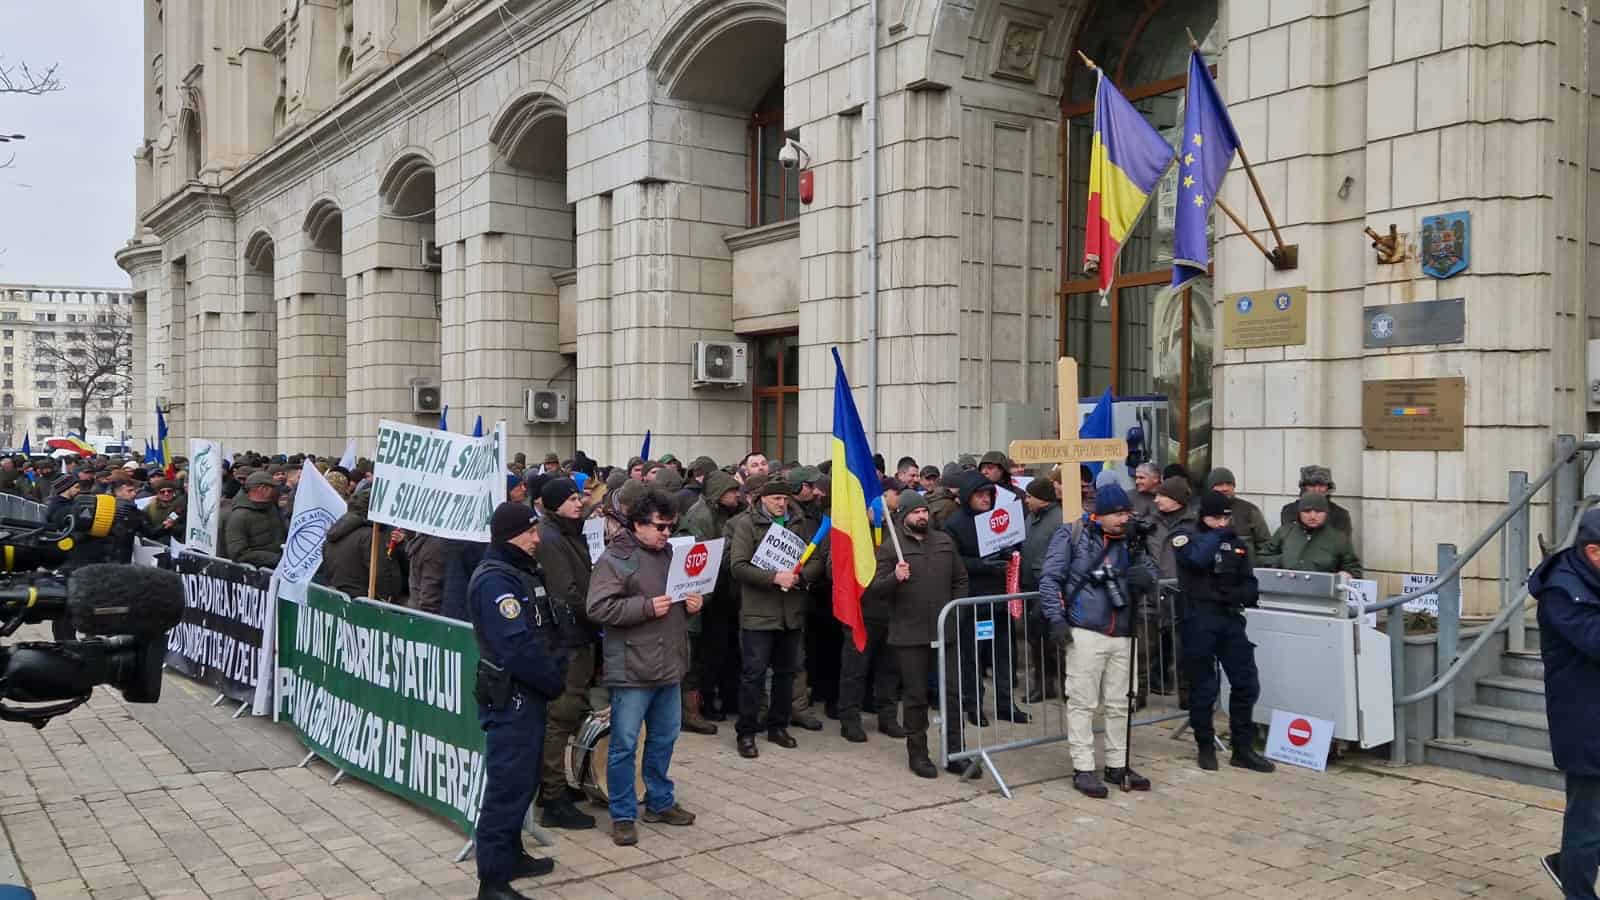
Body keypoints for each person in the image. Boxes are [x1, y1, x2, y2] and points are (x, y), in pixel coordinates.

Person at [584, 489, 699, 847]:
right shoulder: (615, 558)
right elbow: (598, 608)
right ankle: (622, 814)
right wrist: (645, 608)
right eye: (660, 526)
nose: (667, 532)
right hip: (632, 668)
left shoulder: (672, 554)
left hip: (669, 664)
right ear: (638, 525)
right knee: (623, 744)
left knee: (665, 737)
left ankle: (660, 801)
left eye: (671, 526)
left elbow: (681, 596)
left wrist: (694, 602)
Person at [467, 502, 567, 900]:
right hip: (513, 696)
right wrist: (553, 682)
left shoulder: (520, 571)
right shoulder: (495, 581)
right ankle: (491, 881)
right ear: (511, 534)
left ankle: (511, 856)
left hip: (529, 693)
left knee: (523, 783)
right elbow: (516, 647)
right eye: (530, 532)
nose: (536, 538)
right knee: (506, 789)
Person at [1039, 483, 1159, 798]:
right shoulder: (1073, 534)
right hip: (1085, 630)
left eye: (1126, 512)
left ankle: (1118, 764)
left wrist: (1145, 578)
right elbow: (1050, 577)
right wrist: (1056, 618)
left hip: (1123, 631)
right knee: (1082, 703)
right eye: (1117, 514)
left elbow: (1150, 571)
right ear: (1099, 514)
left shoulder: (1132, 541)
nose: (1124, 519)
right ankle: (1083, 767)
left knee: (1122, 703)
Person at [1170, 491, 1276, 774]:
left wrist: (1237, 594)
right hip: (1198, 619)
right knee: (1204, 687)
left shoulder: (1235, 543)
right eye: (1216, 517)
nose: (1222, 522)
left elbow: (1250, 584)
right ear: (1203, 516)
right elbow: (1195, 560)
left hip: (1229, 619)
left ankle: (1242, 748)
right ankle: (1205, 745)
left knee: (1246, 683)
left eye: (1225, 517)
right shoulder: (1186, 535)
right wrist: (1217, 535)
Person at [866, 491, 967, 778]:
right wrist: (894, 578)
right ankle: (918, 754)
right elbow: (875, 589)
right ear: (903, 516)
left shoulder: (945, 542)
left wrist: (955, 611)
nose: (922, 516)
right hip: (909, 634)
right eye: (915, 512)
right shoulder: (890, 548)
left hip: (944, 630)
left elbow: (960, 579)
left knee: (951, 692)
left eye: (924, 511)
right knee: (915, 696)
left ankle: (956, 751)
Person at [1528, 508, 1600, 898]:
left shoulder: (1590, 578)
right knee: (1586, 821)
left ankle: (1568, 862)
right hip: (1586, 723)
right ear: (1594, 551)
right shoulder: (1562, 591)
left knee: (1591, 827)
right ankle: (1578, 889)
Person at [727, 478, 824, 757]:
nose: (782, 503)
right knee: (753, 675)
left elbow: (816, 559)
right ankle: (746, 732)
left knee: (786, 673)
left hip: (791, 613)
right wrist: (774, 577)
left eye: (785, 498)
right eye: (775, 499)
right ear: (762, 500)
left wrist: (800, 576)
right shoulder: (747, 524)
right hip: (759, 613)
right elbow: (738, 566)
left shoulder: (799, 523)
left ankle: (778, 726)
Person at [533, 477, 602, 830]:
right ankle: (553, 798)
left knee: (571, 711)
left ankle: (557, 786)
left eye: (580, 497)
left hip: (580, 634)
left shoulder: (569, 532)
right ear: (554, 504)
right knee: (560, 718)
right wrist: (602, 611)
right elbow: (566, 594)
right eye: (572, 499)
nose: (580, 503)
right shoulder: (551, 538)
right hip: (567, 639)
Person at [942, 472, 1029, 733]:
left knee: (1003, 655)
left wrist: (1011, 554)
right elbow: (953, 562)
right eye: (980, 494)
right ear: (968, 496)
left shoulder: (998, 517)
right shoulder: (955, 524)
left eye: (989, 494)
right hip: (975, 602)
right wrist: (982, 565)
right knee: (974, 657)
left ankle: (1006, 703)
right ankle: (974, 705)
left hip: (1000, 600)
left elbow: (1015, 546)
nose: (986, 499)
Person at [1019, 475, 1063, 703]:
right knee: (1036, 640)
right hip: (1030, 587)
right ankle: (1043, 684)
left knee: (1054, 641)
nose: (1026, 500)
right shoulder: (1031, 516)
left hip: (1048, 588)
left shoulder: (1059, 520)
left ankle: (1064, 685)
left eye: (1029, 496)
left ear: (1042, 499)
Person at [321, 483, 405, 603]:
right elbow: (381, 573)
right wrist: (389, 597)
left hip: (345, 601)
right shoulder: (370, 536)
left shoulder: (333, 534)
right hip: (367, 604)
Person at [1259, 492, 1362, 577]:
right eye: (1307, 511)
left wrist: (1347, 574)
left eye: (1318, 511)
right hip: (1287, 588)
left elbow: (1354, 568)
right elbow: (1261, 558)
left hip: (1323, 593)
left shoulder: (1338, 538)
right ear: (1299, 513)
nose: (1312, 516)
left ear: (1326, 513)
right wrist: (1282, 560)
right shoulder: (1285, 532)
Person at [1204, 467, 1271, 559]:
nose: (1225, 488)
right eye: (1219, 485)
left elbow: (1265, 545)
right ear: (1211, 488)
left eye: (1229, 484)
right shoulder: (1201, 510)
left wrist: (1255, 565)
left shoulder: (1249, 510)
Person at [224, 471, 287, 568]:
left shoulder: (272, 508)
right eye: (273, 488)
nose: (277, 490)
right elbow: (238, 553)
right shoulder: (239, 516)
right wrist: (276, 559)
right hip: (259, 575)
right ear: (263, 489)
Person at [1277, 465, 1353, 538]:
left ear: (1328, 487)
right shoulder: (1290, 510)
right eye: (1312, 485)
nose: (1317, 490)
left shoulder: (1340, 514)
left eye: (1321, 485)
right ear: (1303, 487)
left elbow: (1341, 544)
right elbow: (1290, 540)